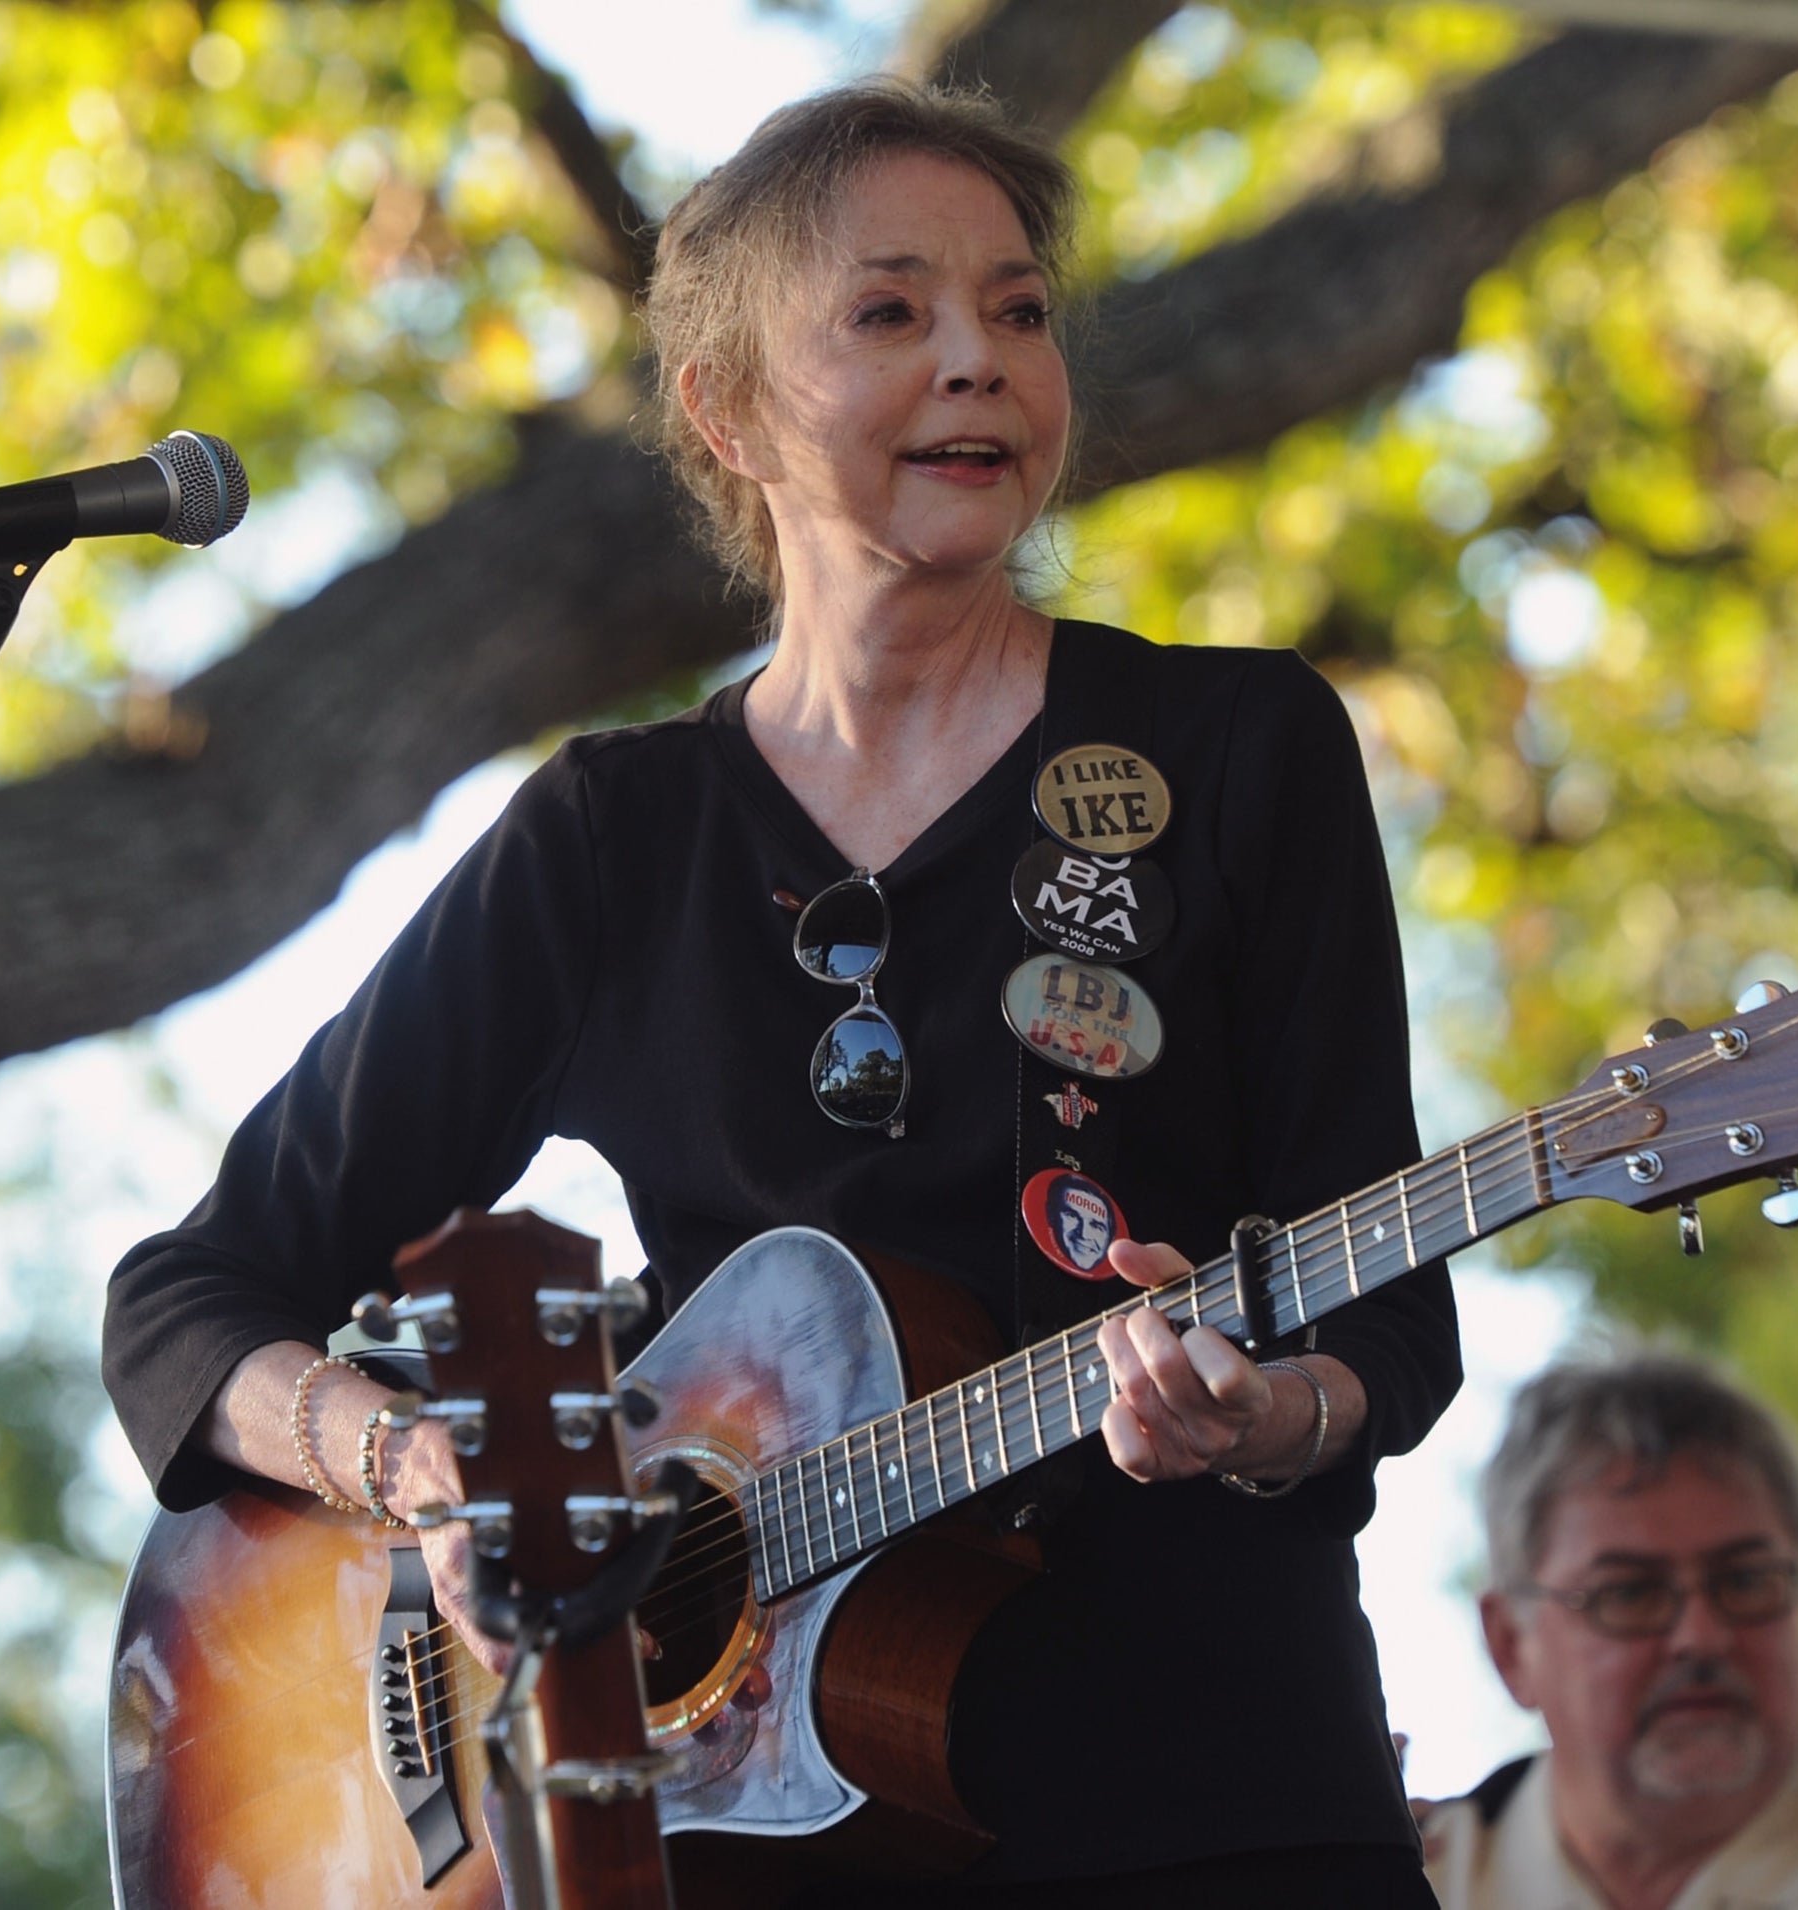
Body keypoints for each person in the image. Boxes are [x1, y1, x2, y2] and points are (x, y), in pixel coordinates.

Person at [102, 79, 1459, 1906]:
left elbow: (1389, 1310)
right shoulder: (612, 837)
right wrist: (421, 1472)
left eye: (1020, 309)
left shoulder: (1232, 749)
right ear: (726, 408)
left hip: (1200, 1792)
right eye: (892, 312)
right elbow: (192, 1300)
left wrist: (1266, 1415)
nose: (978, 360)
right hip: (735, 1841)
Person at [1420, 1352, 1798, 1910]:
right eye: (1632, 1593)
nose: (1701, 1637)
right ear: (1510, 1647)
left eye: (1745, 1581)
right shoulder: (1416, 1877)